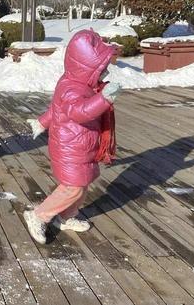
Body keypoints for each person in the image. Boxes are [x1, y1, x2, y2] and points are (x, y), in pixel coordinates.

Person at [24, 29, 121, 244]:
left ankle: (65, 217)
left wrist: (41, 122)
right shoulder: (72, 89)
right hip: (69, 146)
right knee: (72, 187)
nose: (105, 72)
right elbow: (77, 112)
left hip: (82, 145)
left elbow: (56, 110)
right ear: (85, 66)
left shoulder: (79, 83)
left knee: (82, 185)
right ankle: (39, 215)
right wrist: (104, 100)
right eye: (101, 68)